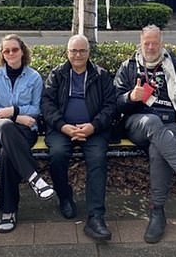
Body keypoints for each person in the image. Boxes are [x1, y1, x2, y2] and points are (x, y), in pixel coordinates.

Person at [114, 24, 176, 244]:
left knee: (159, 149)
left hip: (172, 125)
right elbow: (115, 103)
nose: (151, 46)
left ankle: (157, 212)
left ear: (161, 42)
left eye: (155, 42)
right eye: (147, 42)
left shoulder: (175, 65)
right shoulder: (128, 67)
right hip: (138, 123)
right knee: (153, 121)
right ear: (140, 41)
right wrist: (130, 97)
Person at [41, 34, 116, 241]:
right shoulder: (57, 75)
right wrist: (64, 126)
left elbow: (110, 106)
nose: (78, 55)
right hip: (61, 129)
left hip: (94, 130)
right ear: (67, 52)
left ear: (88, 53)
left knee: (97, 159)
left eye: (82, 50)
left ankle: (96, 217)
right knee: (57, 154)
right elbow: (47, 105)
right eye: (74, 51)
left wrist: (93, 126)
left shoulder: (101, 75)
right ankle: (65, 198)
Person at [0, 34, 55, 234]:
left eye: (15, 49)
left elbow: (37, 109)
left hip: (25, 131)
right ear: (2, 54)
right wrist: (16, 116)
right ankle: (34, 178)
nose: (11, 53)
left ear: (22, 51)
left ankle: (8, 211)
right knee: (6, 126)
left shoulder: (33, 77)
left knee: (8, 154)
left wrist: (12, 111)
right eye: (6, 50)